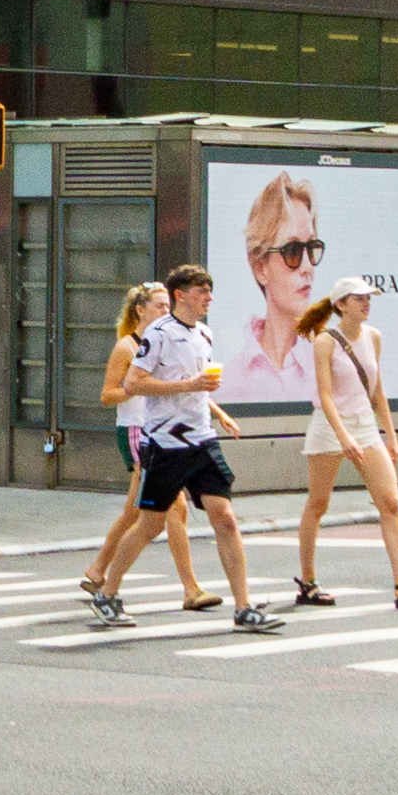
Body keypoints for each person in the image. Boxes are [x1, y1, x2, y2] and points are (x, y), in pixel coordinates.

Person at [89, 264, 282, 635]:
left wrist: (216, 410)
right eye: (202, 291)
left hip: (202, 439)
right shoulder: (158, 334)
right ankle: (107, 593)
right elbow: (134, 382)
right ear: (181, 295)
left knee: (224, 517)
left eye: (210, 290)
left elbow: (198, 383)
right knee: (150, 524)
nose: (209, 297)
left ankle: (243, 607)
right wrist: (187, 385)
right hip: (165, 441)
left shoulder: (205, 334)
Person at [292, 276, 398, 610]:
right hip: (331, 427)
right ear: (341, 304)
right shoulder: (325, 341)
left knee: (390, 503)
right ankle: (308, 582)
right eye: (358, 299)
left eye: (368, 298)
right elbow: (325, 396)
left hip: (365, 426)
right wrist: (343, 438)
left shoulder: (374, 337)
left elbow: (377, 391)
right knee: (318, 503)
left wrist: (391, 435)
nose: (366, 303)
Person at [78, 281, 215, 611]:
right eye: (159, 306)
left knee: (134, 512)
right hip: (136, 432)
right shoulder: (127, 347)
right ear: (140, 310)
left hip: (162, 432)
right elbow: (107, 394)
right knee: (176, 508)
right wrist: (138, 387)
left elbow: (185, 389)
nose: (166, 311)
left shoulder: (166, 341)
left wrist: (218, 412)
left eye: (168, 306)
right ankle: (190, 588)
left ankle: (97, 571)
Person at [217, 173, 323, 404]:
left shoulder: (332, 365)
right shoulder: (229, 381)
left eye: (312, 248)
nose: (307, 267)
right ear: (260, 268)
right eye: (293, 251)